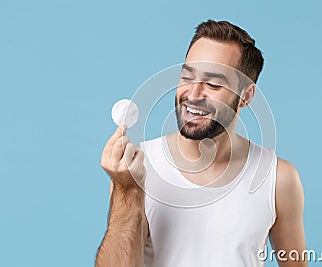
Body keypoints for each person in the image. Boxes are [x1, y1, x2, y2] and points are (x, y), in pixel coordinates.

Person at [95, 20, 307, 267]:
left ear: (245, 96)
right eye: (187, 76)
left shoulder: (278, 178)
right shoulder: (138, 169)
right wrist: (127, 190)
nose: (193, 94)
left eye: (213, 84)